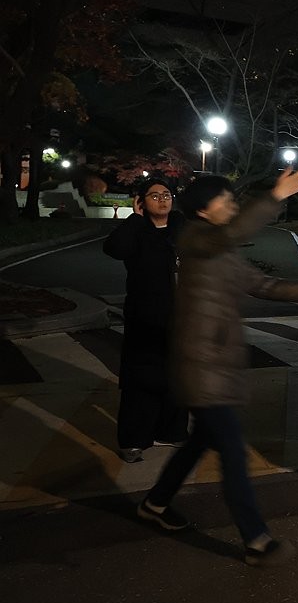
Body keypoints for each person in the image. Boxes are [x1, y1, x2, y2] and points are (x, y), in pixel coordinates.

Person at [136, 165, 298, 567]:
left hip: (215, 364)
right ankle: (256, 540)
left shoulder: (219, 249)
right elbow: (235, 232)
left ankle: (156, 504)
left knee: (199, 442)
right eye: (225, 200)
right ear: (202, 211)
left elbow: (261, 285)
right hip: (202, 367)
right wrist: (274, 195)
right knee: (233, 453)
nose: (231, 205)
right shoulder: (197, 240)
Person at [103, 177, 189, 463]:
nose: (163, 200)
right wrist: (133, 219)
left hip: (181, 315)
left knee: (177, 376)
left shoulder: (181, 227)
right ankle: (133, 439)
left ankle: (171, 430)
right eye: (154, 196)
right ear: (141, 201)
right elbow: (114, 249)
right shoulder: (137, 230)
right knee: (140, 378)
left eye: (166, 194)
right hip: (144, 315)